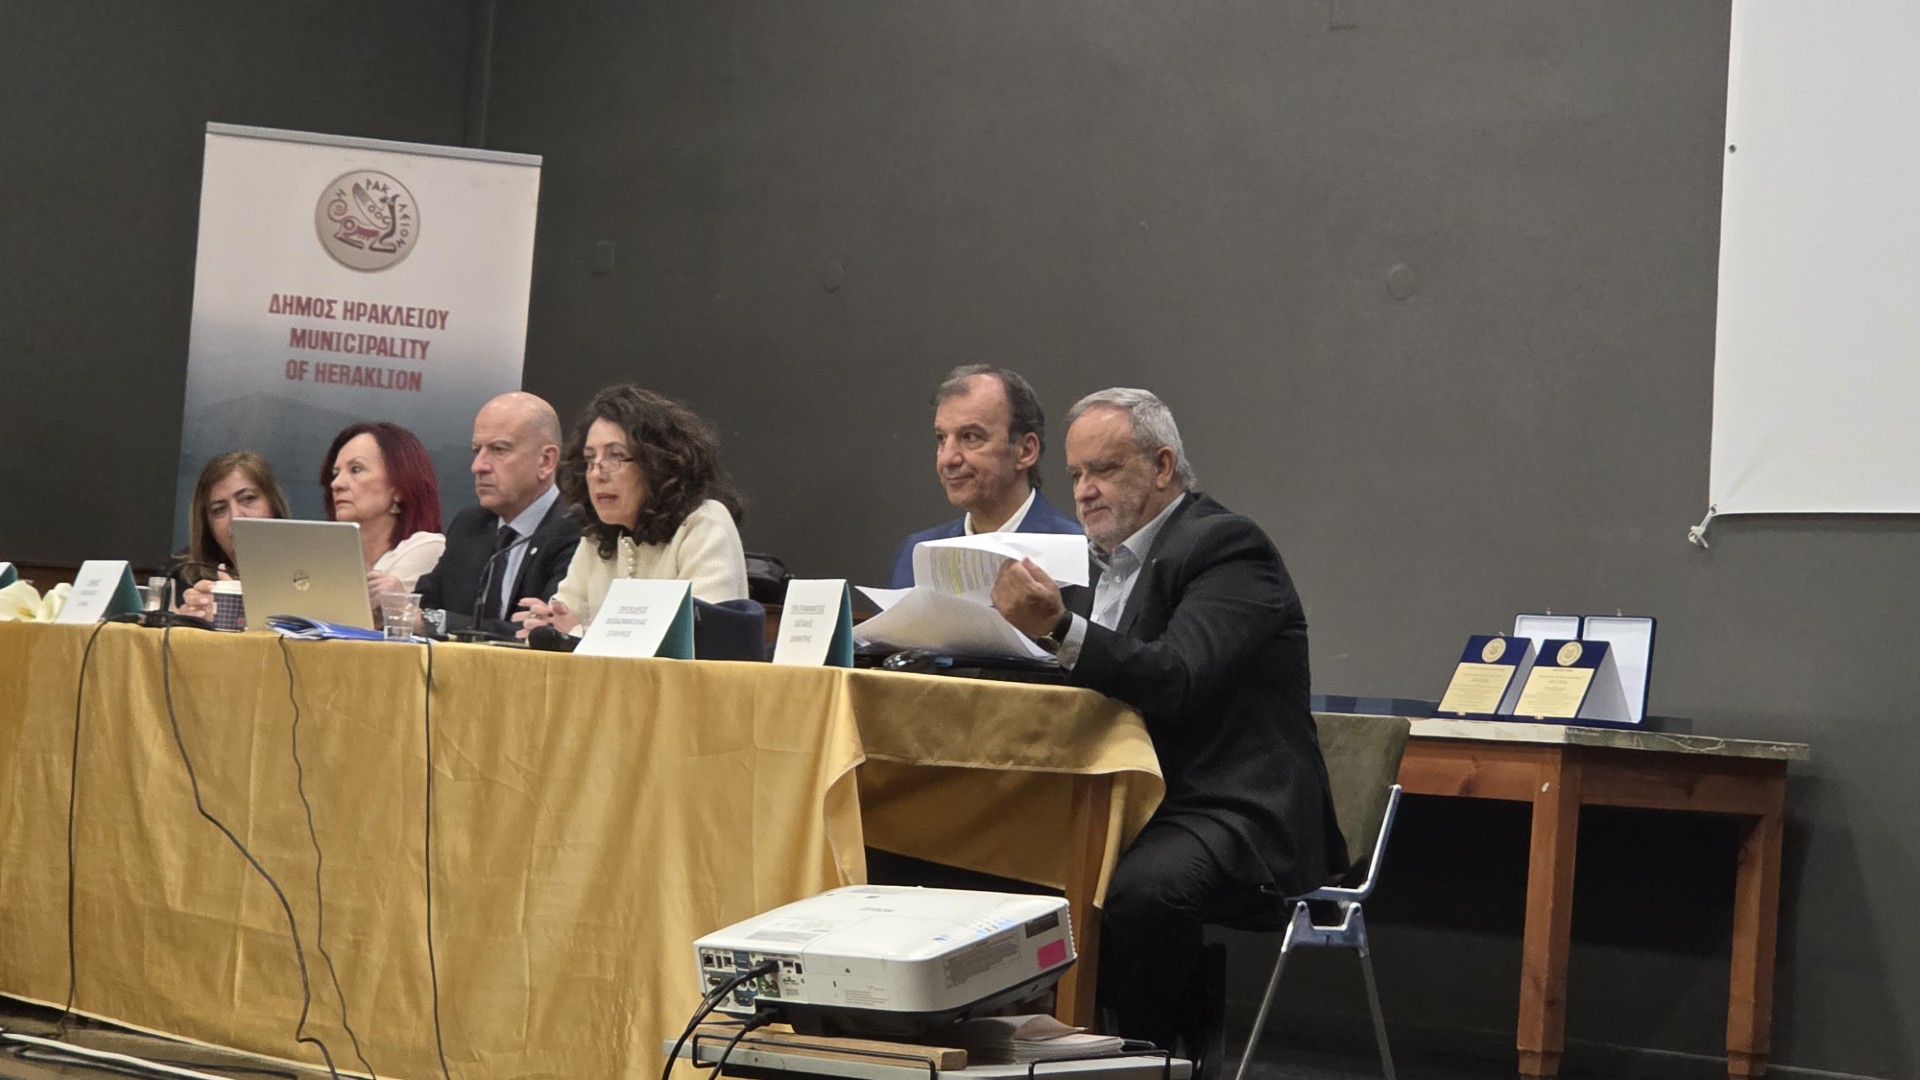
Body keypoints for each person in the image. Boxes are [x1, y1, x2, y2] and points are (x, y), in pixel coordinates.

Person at [989, 388, 1346, 1062]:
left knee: (1145, 892)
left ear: (1161, 466)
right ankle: (1032, 1042)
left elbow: (1176, 677)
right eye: (1075, 474)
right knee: (989, 853)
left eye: (1104, 469)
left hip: (1229, 802)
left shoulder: (1227, 549)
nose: (1084, 491)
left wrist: (1061, 629)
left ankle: (1149, 1053)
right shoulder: (1090, 568)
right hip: (1127, 794)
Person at [515, 385, 748, 638]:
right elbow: (563, 617)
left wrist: (576, 634)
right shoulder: (597, 539)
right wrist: (546, 627)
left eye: (615, 455)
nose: (596, 473)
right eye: (590, 458)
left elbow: (699, 639)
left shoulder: (704, 523)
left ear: (658, 463)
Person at [887, 365, 1080, 588]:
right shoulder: (916, 555)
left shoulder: (1080, 556)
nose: (947, 459)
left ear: (1026, 451)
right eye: (941, 438)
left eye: (970, 437)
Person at [414, 392, 581, 638]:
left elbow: (542, 633)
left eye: (498, 450)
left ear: (546, 461)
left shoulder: (574, 530)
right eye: (476, 450)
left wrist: (440, 622)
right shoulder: (470, 525)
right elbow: (425, 606)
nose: (477, 466)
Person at [320, 421, 446, 599]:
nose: (336, 484)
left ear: (399, 488)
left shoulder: (427, 546)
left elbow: (364, 612)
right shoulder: (328, 553)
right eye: (336, 473)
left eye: (356, 469)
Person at [171, 451, 293, 618]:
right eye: (219, 509)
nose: (235, 517)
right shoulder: (184, 578)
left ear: (273, 504)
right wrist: (190, 621)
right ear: (208, 526)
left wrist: (237, 611)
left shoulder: (311, 573)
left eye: (248, 499)